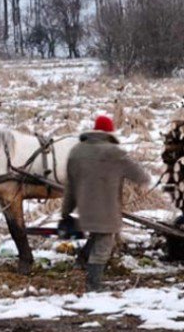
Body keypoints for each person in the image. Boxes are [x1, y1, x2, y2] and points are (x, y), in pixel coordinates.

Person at [61, 115, 150, 292]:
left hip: (84, 209)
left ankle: (81, 262)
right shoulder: (114, 152)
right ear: (109, 132)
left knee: (96, 236)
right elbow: (141, 176)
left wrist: (66, 210)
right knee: (103, 246)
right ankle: (93, 285)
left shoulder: (76, 151)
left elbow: (70, 186)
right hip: (107, 209)